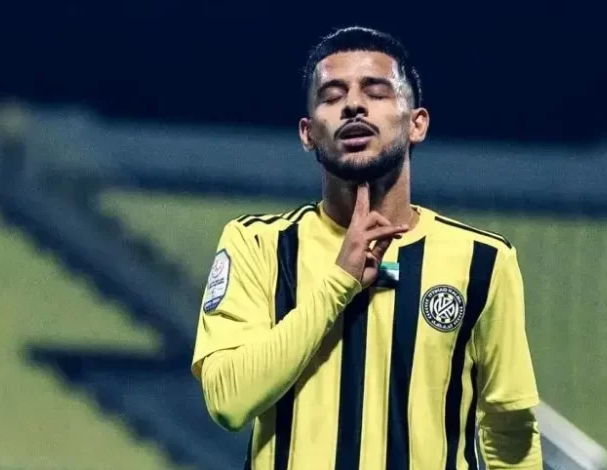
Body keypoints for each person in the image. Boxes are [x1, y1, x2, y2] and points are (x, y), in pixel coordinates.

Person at [191, 26, 542, 470]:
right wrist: (339, 282)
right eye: (332, 96)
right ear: (307, 133)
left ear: (417, 123)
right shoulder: (257, 244)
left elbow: (510, 428)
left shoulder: (482, 261)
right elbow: (227, 400)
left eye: (376, 92)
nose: (353, 105)